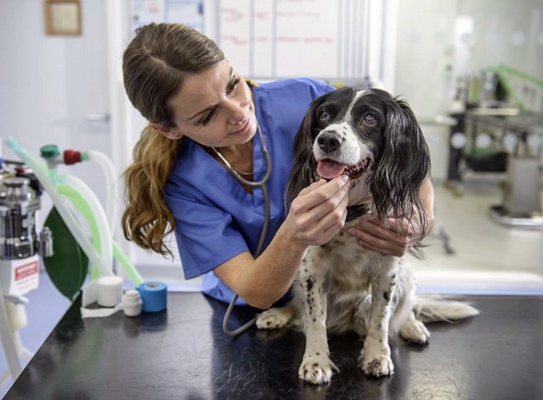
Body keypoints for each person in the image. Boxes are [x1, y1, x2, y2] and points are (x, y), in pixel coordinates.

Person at [121, 23, 435, 310]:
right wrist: (294, 235)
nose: (239, 112)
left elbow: (401, 156)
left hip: (333, 297)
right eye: (207, 115)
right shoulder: (184, 183)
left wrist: (420, 223)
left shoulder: (307, 99)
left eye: (233, 84)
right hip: (249, 311)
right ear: (169, 129)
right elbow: (255, 291)